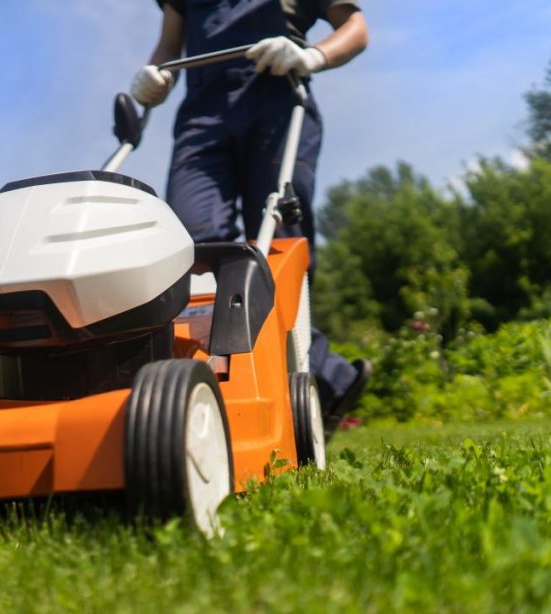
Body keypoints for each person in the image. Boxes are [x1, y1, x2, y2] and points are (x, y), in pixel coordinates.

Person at [130, 0, 372, 438]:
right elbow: (169, 46)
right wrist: (153, 77)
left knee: (279, 246)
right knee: (193, 247)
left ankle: (295, 382)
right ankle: (322, 377)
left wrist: (312, 55)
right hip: (203, 119)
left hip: (277, 103)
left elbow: (355, 28)